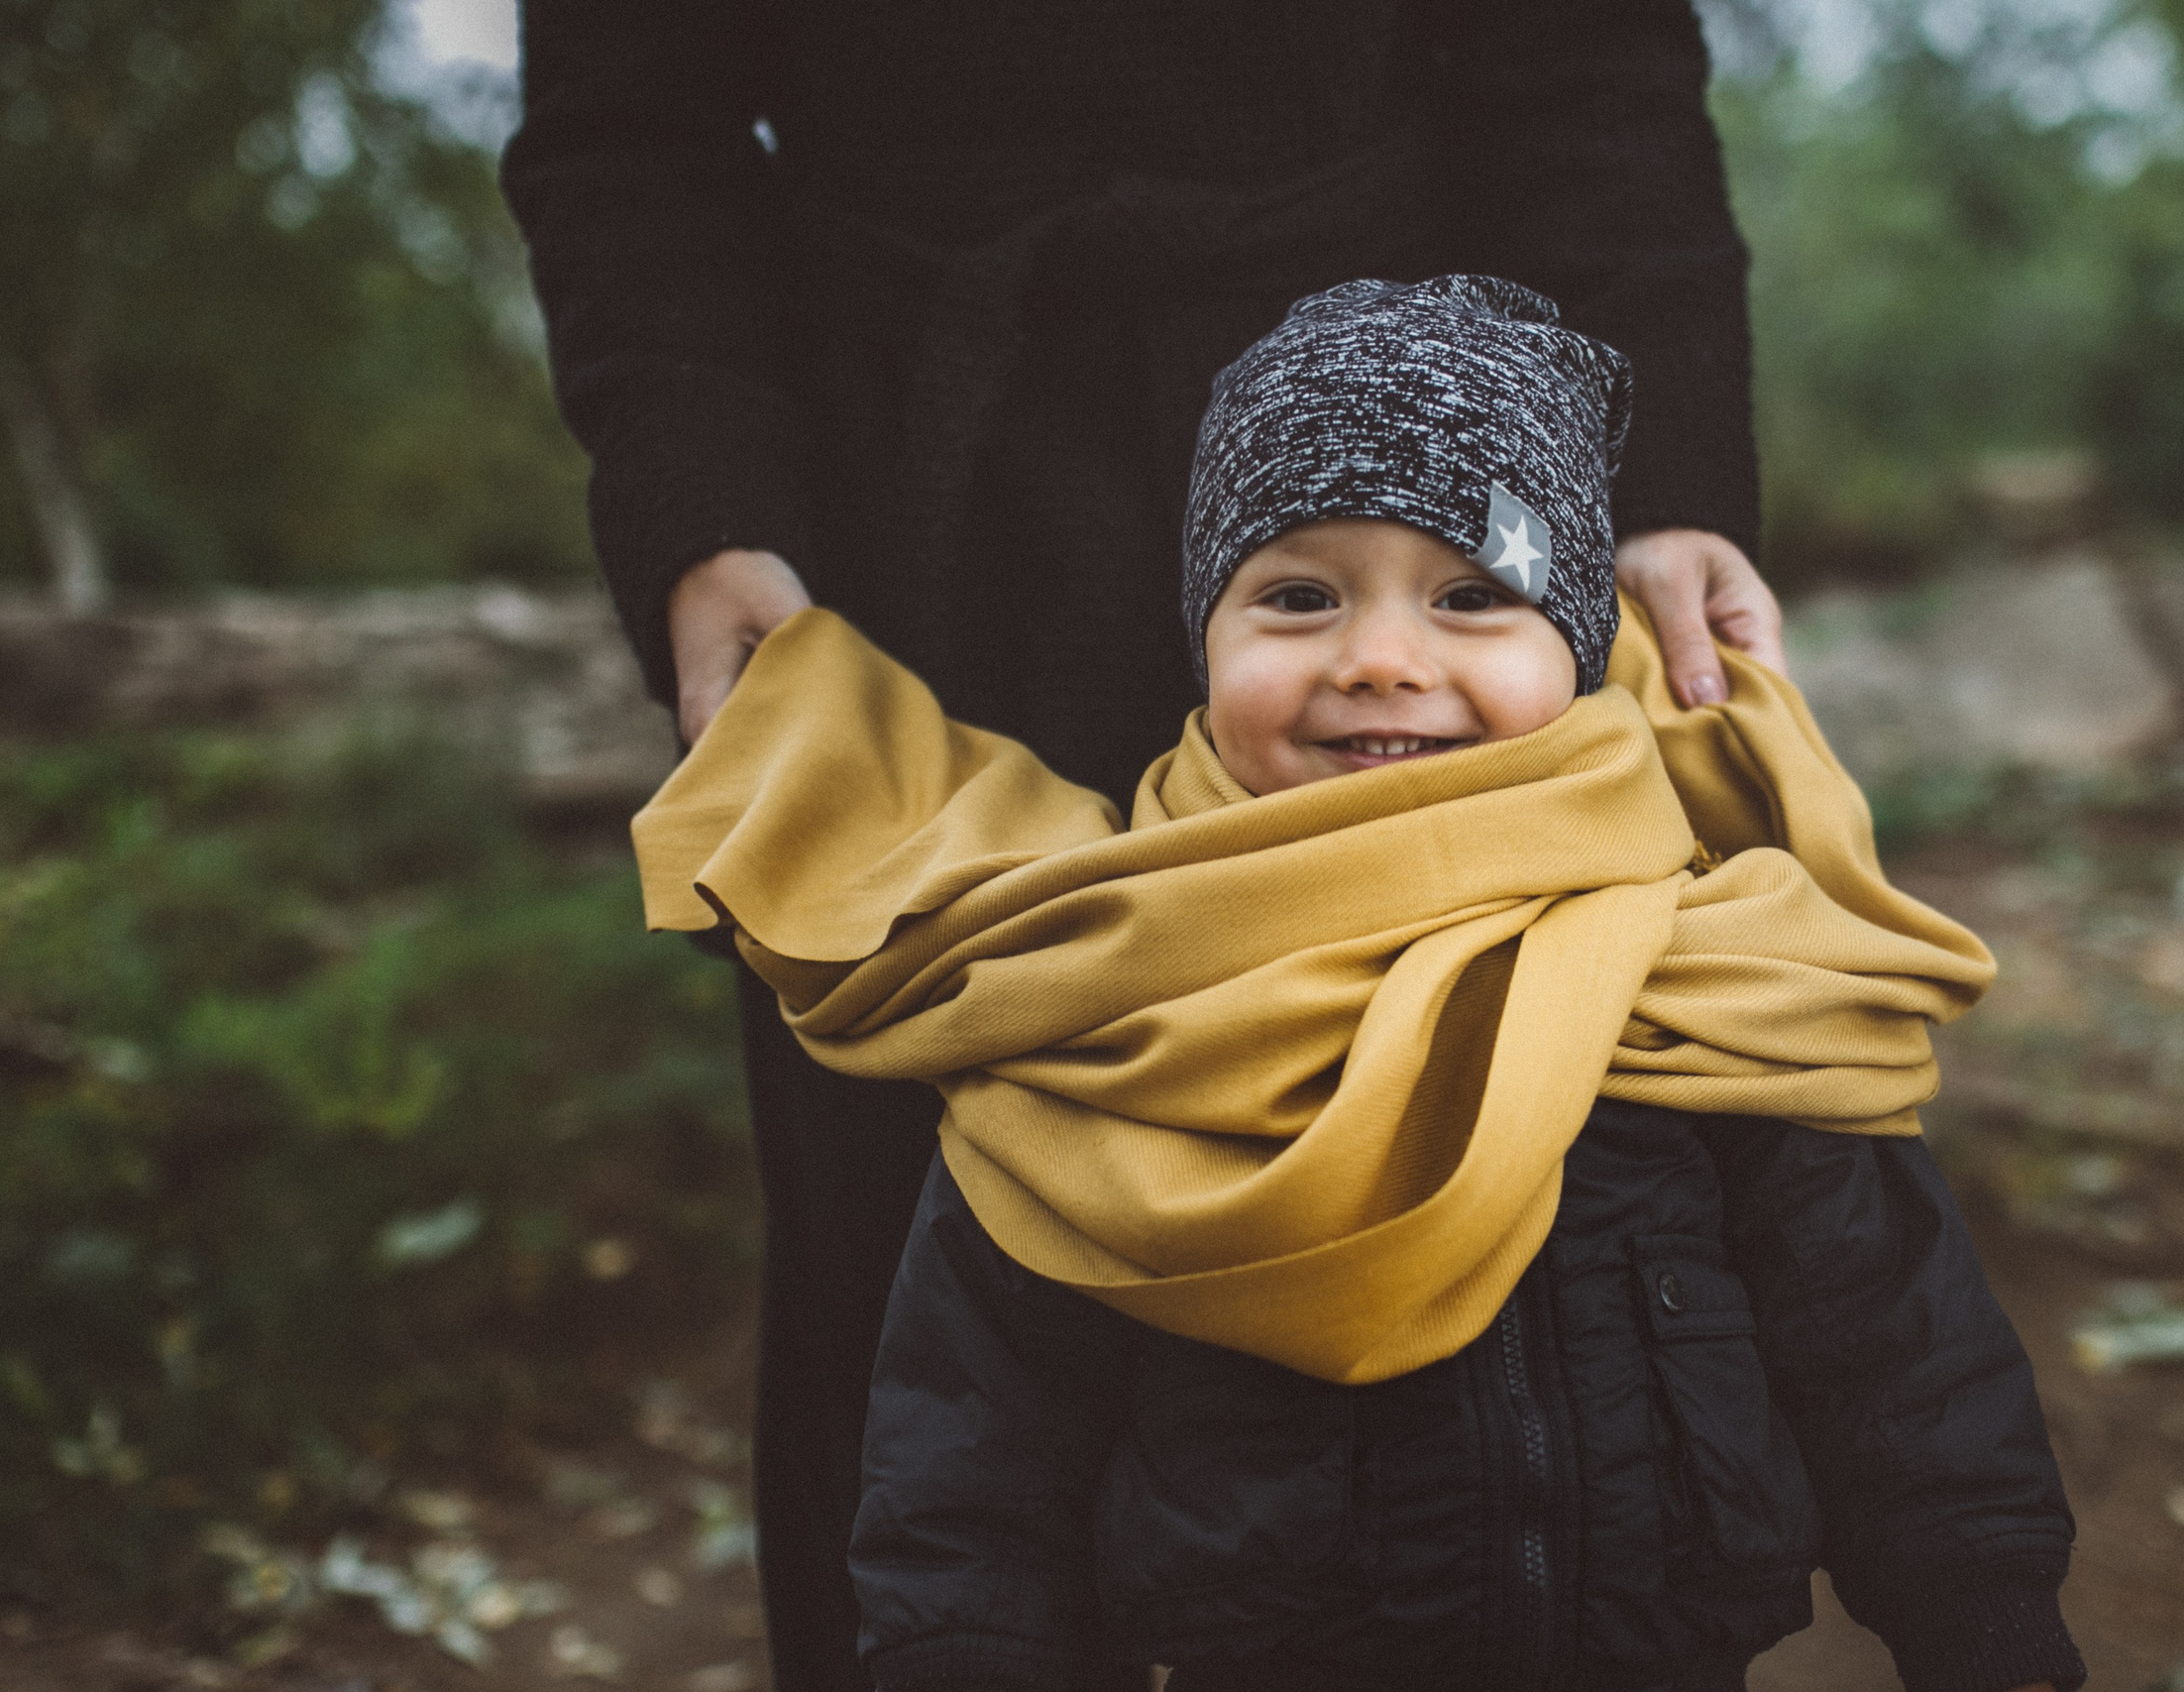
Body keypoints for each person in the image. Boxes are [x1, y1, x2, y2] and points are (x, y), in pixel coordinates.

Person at [498, 9, 1789, 1687]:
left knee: (1466, 1169)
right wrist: (706, 508)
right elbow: (628, 124)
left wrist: (1656, 473)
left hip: (1412, 489)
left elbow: (1584, 60)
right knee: (913, 1254)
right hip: (902, 533)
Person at [633, 279, 2084, 1692]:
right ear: (1203, 637)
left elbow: (1894, 1349)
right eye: (1301, 595)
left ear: (1578, 654)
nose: (1383, 659)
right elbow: (977, 1452)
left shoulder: (1712, 967)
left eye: (1471, 596)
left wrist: (1989, 1620)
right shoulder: (1108, 1002)